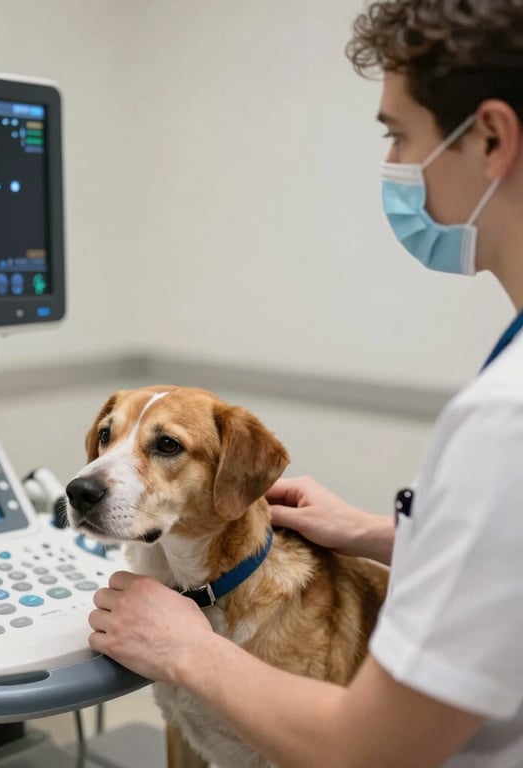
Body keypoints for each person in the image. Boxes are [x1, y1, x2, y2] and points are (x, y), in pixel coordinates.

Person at [87, 2, 523, 766]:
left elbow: (369, 750)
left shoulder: (505, 420)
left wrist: (187, 650)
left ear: (490, 137)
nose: (393, 164)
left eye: (398, 133)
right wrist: (377, 533)